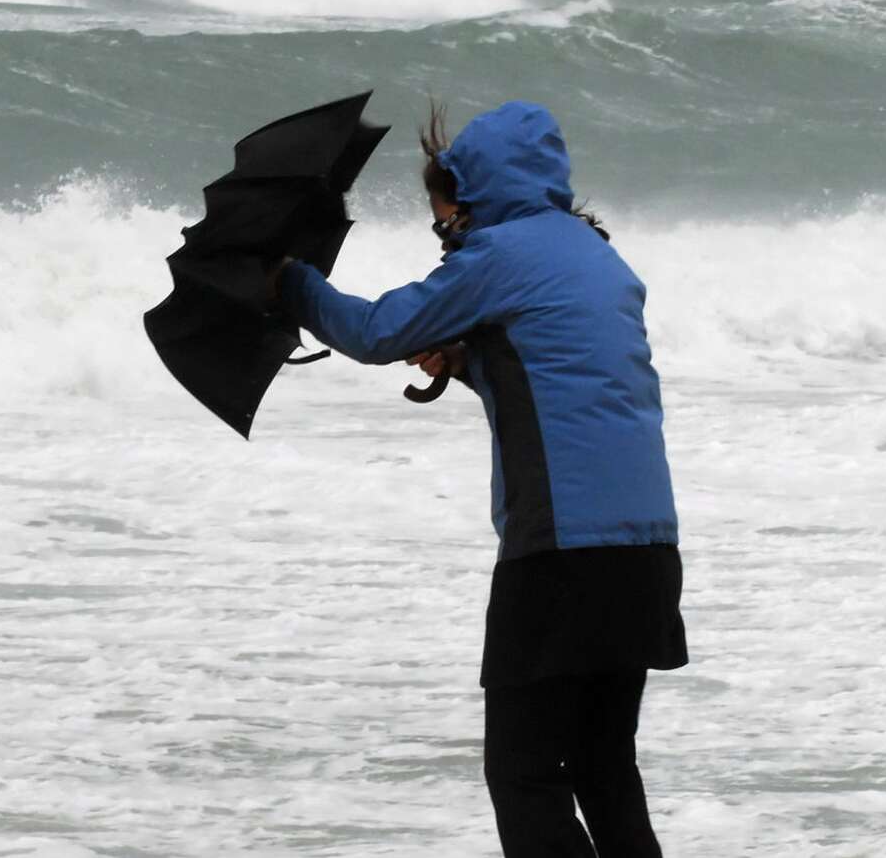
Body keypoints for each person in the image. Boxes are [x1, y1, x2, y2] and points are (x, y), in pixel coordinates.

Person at [273, 100, 687, 857]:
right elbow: (566, 379)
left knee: (524, 773)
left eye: (443, 224)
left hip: (563, 552)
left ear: (473, 197)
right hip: (647, 554)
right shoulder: (600, 258)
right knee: (604, 768)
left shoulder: (497, 255)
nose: (446, 241)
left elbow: (372, 332)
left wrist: (287, 278)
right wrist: (472, 362)